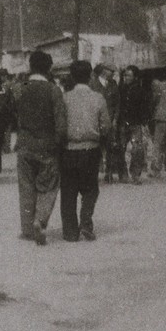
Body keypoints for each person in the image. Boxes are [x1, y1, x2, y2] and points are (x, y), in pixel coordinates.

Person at [14, 51, 67, 245]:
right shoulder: (54, 90)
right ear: (49, 68)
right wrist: (58, 142)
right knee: (48, 186)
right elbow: (60, 122)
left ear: (30, 66)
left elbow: (15, 116)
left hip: (25, 144)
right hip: (47, 145)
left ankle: (27, 229)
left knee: (26, 187)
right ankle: (40, 221)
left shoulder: (20, 88)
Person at [60, 61, 111, 242]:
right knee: (90, 189)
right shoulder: (99, 98)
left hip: (68, 150)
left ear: (72, 77)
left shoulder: (65, 98)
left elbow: (59, 125)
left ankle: (70, 232)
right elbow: (106, 127)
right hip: (91, 149)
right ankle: (86, 223)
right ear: (90, 76)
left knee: (68, 191)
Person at [118, 66, 151, 185]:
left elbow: (145, 108)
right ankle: (123, 174)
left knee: (137, 149)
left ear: (135, 77)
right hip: (122, 123)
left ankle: (136, 175)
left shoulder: (141, 91)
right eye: (125, 75)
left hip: (136, 124)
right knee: (120, 148)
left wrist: (144, 123)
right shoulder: (120, 89)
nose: (126, 78)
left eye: (128, 75)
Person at [89, 63, 121, 183]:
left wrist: (115, 119)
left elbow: (117, 103)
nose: (113, 73)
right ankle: (94, 173)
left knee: (110, 148)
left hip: (110, 122)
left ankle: (109, 173)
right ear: (103, 71)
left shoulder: (113, 84)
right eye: (110, 70)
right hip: (96, 122)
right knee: (95, 148)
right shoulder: (92, 84)